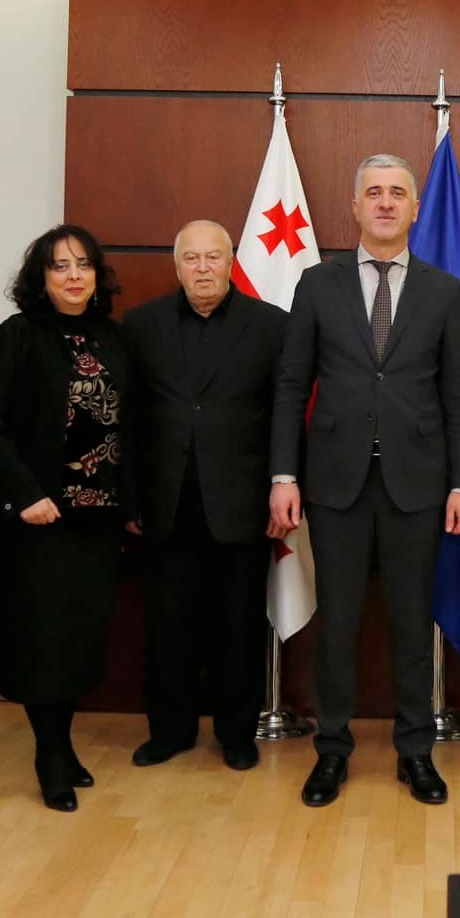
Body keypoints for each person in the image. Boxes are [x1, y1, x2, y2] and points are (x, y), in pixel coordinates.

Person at [268, 155, 460, 808]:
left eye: (397, 193)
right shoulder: (316, 284)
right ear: (355, 207)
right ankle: (332, 751)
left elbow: (459, 397)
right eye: (374, 193)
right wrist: (284, 473)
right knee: (338, 628)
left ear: (414, 209)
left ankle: (416, 752)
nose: (386, 203)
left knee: (412, 625)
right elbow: (292, 384)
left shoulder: (443, 290)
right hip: (336, 485)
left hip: (418, 486)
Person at [0, 224, 138, 812]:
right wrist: (26, 494)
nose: (73, 276)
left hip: (97, 520)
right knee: (40, 640)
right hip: (34, 521)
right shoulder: (16, 336)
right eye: (59, 266)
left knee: (78, 639)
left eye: (83, 265)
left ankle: (63, 745)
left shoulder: (114, 339)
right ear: (40, 278)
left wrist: (131, 506)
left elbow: (131, 428)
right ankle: (49, 755)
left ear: (97, 276)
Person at [123, 220, 286, 771]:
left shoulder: (271, 326)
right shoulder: (141, 325)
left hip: (243, 504)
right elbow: (128, 419)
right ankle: (169, 731)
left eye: (212, 257)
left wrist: (283, 487)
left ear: (230, 261)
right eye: (190, 258)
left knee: (238, 626)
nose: (202, 268)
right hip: (165, 504)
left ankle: (237, 734)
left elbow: (286, 416)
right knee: (167, 626)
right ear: (177, 267)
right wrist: (130, 499)